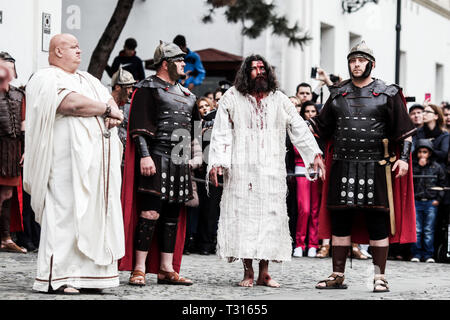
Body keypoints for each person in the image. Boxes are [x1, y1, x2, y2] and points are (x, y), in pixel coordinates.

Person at [207, 54, 324, 288]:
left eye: (263, 68)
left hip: (271, 171)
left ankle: (265, 273)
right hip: (241, 171)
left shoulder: (279, 99)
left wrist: (314, 154)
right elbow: (220, 131)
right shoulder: (232, 97)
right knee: (244, 219)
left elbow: (298, 127)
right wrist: (217, 161)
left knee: (270, 219)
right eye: (254, 68)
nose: (259, 71)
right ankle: (248, 271)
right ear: (245, 72)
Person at [309, 41, 416, 292]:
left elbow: (406, 133)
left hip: (377, 167)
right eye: (352, 61)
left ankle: (379, 277)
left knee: (378, 222)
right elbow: (320, 130)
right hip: (342, 166)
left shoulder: (388, 93)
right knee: (340, 222)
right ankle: (337, 275)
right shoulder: (337, 93)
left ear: (371, 64)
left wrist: (403, 158)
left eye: (361, 60)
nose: (356, 65)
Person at [24, 33, 125, 294]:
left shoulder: (89, 79)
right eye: (73, 47)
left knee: (95, 215)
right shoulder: (46, 77)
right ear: (57, 51)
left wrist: (113, 112)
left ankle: (93, 277)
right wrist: (106, 110)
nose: (80, 51)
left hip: (95, 167)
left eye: (80, 46)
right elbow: (71, 104)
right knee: (66, 214)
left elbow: (110, 101)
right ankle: (61, 277)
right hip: (64, 164)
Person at [120, 40, 199, 286]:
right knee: (150, 213)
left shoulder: (188, 95)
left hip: (178, 160)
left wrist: (190, 159)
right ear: (166, 64)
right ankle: (139, 268)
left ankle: (167, 269)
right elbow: (139, 126)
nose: (184, 64)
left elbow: (194, 128)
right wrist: (144, 155)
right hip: (155, 157)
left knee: (171, 216)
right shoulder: (147, 88)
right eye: (179, 60)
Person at [0, 52, 26, 254]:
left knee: (7, 194)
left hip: (13, 149)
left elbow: (25, 124)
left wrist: (27, 150)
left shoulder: (19, 95)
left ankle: (6, 237)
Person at [292, 101, 324, 258]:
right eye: (307, 111)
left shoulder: (321, 132)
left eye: (313, 111)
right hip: (300, 169)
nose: (311, 113)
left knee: (314, 209)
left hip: (317, 171)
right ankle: (299, 243)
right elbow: (295, 151)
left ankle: (313, 244)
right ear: (303, 113)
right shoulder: (297, 130)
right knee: (303, 209)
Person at [410, 139, 447, 263]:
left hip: (431, 202)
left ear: (429, 153)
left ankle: (428, 255)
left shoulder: (436, 167)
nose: (422, 155)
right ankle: (416, 254)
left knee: (428, 230)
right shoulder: (413, 166)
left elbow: (442, 185)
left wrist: (438, 199)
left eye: (425, 152)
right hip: (416, 201)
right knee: (417, 229)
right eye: (420, 152)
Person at [110, 66, 136, 160]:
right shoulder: (102, 103)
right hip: (108, 153)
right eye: (128, 87)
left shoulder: (131, 106)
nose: (131, 91)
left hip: (125, 157)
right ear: (117, 87)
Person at [414, 103, 449, 169]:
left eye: (427, 112)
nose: (424, 114)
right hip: (419, 170)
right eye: (423, 112)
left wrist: (425, 150)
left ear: (436, 116)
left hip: (438, 171)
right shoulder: (417, 132)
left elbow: (443, 154)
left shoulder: (444, 134)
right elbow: (414, 152)